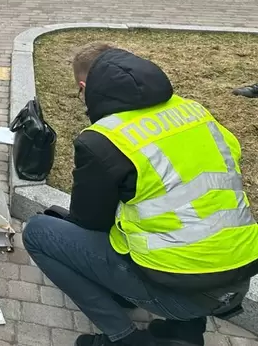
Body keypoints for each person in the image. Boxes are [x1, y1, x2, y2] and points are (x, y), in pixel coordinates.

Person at [23, 42, 258, 346]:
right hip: (240, 274)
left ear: (84, 88)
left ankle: (124, 339)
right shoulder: (194, 111)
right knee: (182, 224)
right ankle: (186, 332)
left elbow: (90, 223)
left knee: (40, 232)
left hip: (182, 289)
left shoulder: (104, 140)